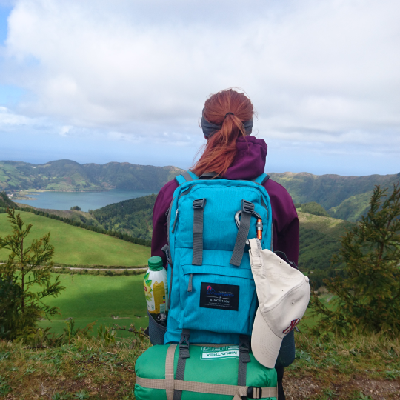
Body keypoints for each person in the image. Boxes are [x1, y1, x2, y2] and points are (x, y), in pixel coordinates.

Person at [151, 88, 299, 400]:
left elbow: (159, 267)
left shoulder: (173, 193)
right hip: (257, 344)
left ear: (204, 130)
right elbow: (289, 273)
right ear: (249, 129)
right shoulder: (275, 197)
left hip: (184, 339)